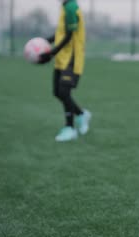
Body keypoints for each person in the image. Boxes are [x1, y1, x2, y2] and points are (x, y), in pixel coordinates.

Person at [38, 0, 91, 142]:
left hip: (72, 59)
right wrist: (45, 42)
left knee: (64, 92)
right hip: (62, 58)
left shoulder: (71, 7)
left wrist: (51, 52)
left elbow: (69, 36)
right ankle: (81, 114)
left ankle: (70, 128)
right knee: (57, 92)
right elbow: (61, 33)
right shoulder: (65, 6)